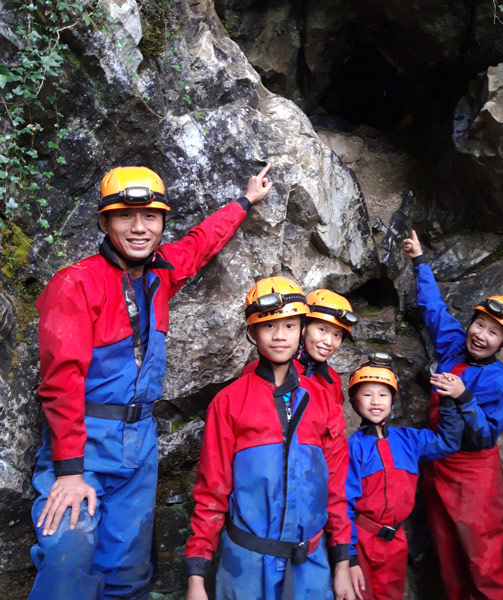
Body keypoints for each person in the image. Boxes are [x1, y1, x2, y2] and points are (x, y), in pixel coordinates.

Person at [28, 163, 273, 600]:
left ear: (162, 223)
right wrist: (68, 472)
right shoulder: (75, 284)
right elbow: (60, 383)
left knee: (127, 573)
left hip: (140, 443)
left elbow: (199, 245)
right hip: (83, 441)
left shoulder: (159, 275)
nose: (139, 228)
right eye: (125, 216)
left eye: (151, 217)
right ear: (104, 222)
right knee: (67, 563)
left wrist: (246, 201)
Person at [185, 276, 355, 600]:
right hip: (245, 565)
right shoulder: (228, 402)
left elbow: (334, 488)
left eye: (290, 325)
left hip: (311, 565)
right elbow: (211, 492)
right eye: (268, 326)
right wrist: (196, 576)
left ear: (302, 329)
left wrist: (342, 563)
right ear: (252, 333)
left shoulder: (322, 401)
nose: (280, 336)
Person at [402, 229, 503, 600]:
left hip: (473, 475)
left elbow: (485, 436)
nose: (482, 334)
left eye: (493, 333)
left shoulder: (501, 384)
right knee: (448, 556)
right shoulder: (455, 345)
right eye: (480, 324)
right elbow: (433, 308)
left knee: (482, 558)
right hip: (438, 465)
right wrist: (419, 260)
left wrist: (464, 396)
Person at [345, 353, 470, 600]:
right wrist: (347, 556)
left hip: (395, 540)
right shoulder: (352, 448)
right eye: (367, 394)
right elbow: (343, 504)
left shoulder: (408, 439)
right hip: (362, 541)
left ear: (393, 399)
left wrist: (448, 403)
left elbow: (448, 442)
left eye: (383, 394)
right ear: (354, 401)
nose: (375, 401)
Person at [242, 288, 358, 406]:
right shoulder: (259, 370)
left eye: (337, 335)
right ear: (303, 328)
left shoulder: (332, 381)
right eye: (322, 330)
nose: (329, 342)